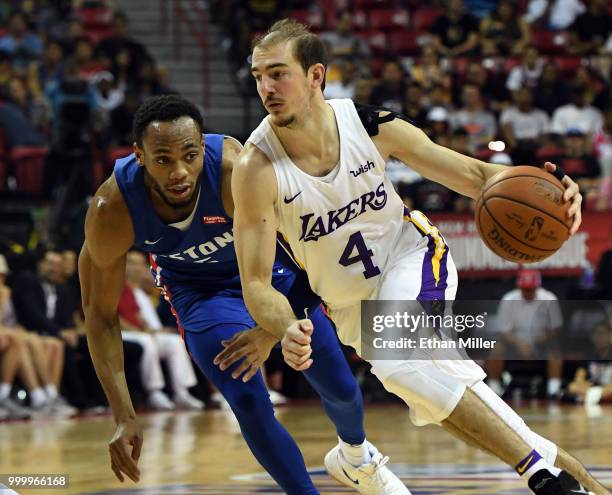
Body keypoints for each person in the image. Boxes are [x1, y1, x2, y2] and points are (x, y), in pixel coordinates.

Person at [231, 19, 607, 495]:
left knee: (398, 361)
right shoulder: (255, 167)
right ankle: (582, 483)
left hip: (412, 259)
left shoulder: (369, 125)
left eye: (278, 73)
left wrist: (553, 192)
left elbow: (475, 175)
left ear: (315, 76)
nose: (266, 87)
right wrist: (284, 326)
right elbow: (257, 283)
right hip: (348, 307)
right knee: (442, 396)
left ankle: (542, 477)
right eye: (258, 76)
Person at [79, 95, 407, 494]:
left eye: (190, 155)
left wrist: (269, 331)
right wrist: (123, 414)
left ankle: (356, 457)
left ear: (203, 146)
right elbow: (100, 316)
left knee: (340, 388)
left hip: (274, 275)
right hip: (198, 292)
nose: (180, 172)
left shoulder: (237, 170)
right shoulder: (111, 208)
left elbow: (317, 258)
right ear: (140, 155)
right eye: (163, 159)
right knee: (248, 400)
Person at [486, 269, 564, 398]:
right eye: (525, 289)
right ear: (519, 286)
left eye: (531, 289)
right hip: (514, 342)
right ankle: (494, 389)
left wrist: (536, 341)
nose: (528, 292)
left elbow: (556, 329)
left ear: (537, 287)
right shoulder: (508, 299)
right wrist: (519, 343)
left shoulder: (549, 298)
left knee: (554, 351)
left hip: (541, 341)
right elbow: (502, 330)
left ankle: (553, 390)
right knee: (496, 349)